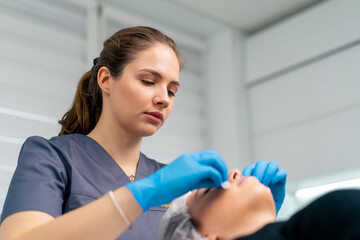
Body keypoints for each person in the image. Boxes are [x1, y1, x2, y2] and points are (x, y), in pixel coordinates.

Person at [0, 26, 285, 239]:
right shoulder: (52, 156)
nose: (164, 98)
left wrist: (260, 216)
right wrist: (142, 194)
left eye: (172, 91)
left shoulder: (177, 182)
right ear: (106, 80)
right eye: (149, 81)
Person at [159, 169, 360, 240]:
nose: (234, 172)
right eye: (209, 190)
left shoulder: (310, 225)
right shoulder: (321, 221)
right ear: (207, 236)